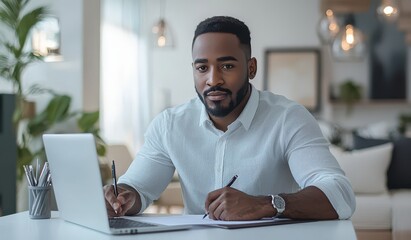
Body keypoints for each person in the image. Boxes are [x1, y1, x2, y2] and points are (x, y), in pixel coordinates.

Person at [104, 16, 355, 221]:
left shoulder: (289, 118)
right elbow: (137, 188)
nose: (213, 80)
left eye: (227, 66)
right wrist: (122, 198)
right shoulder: (170, 125)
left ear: (251, 68)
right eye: (203, 68)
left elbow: (340, 194)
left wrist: (266, 204)